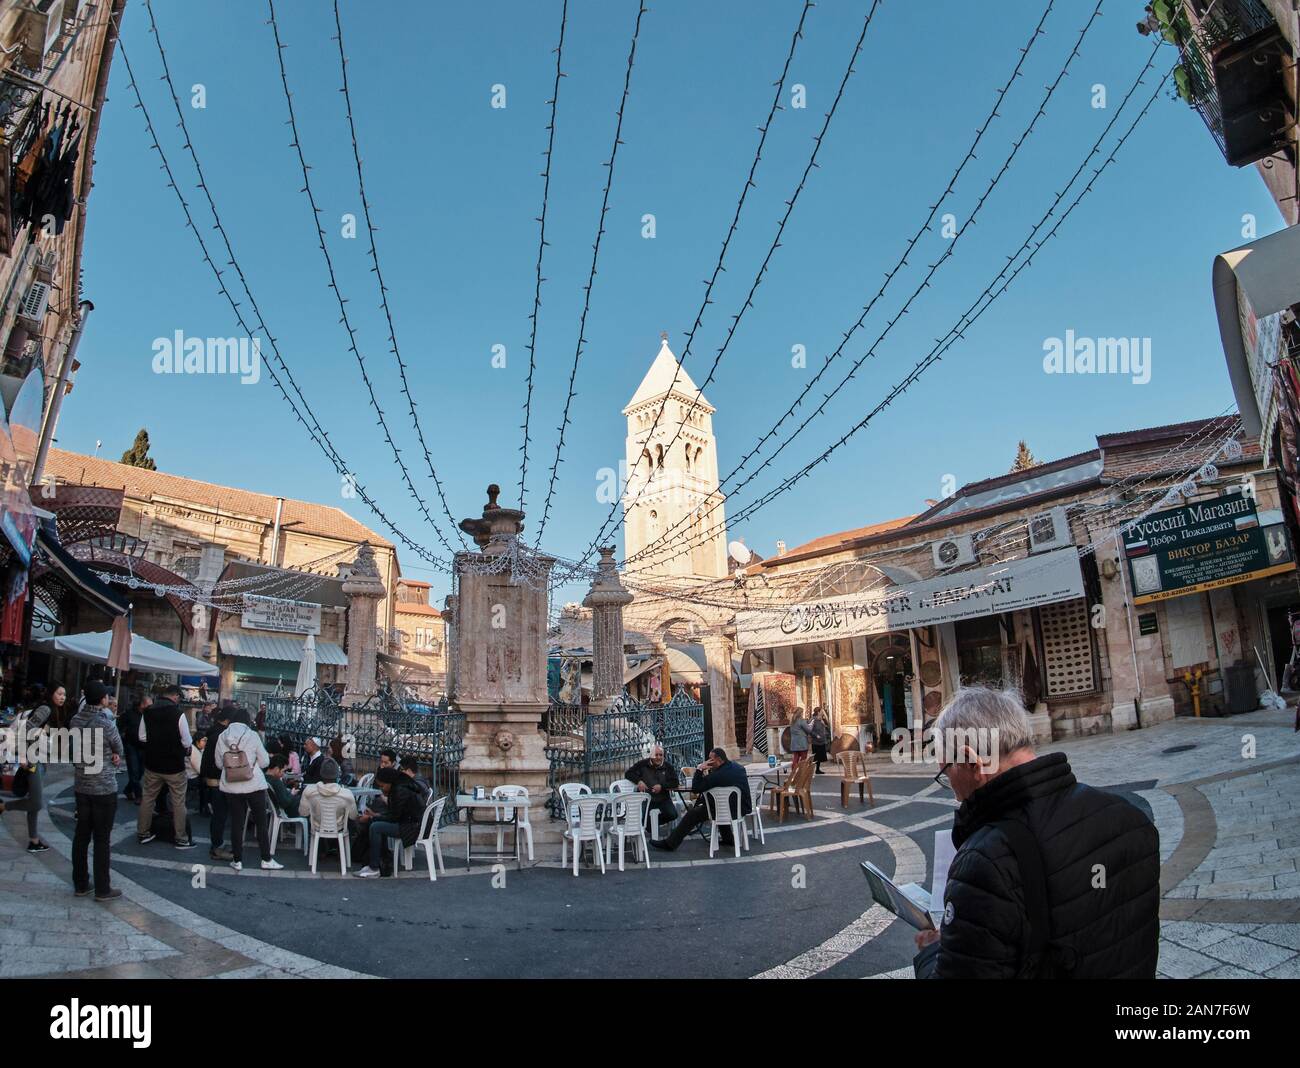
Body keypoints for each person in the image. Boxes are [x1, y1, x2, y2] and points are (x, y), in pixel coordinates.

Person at [913, 687, 1159, 979]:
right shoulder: (1130, 816)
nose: (953, 793)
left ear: (972, 762)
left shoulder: (986, 863)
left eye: (946, 772)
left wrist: (932, 952)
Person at [69, 680, 124, 901]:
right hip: (103, 787)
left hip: (82, 785)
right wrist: (113, 754)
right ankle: (103, 888)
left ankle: (80, 883)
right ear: (103, 699)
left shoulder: (75, 720)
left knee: (81, 835)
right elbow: (118, 747)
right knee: (102, 838)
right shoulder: (106, 723)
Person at [214, 710, 282, 871]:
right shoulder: (252, 735)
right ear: (247, 721)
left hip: (231, 785)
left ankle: (237, 860)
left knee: (237, 823)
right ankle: (266, 859)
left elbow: (218, 764)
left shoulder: (222, 736)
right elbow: (265, 761)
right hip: (253, 784)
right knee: (261, 822)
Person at [649, 747, 752, 852]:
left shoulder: (716, 776)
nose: (708, 762)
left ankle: (670, 843)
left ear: (718, 760)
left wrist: (699, 769)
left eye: (710, 760)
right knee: (719, 804)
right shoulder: (738, 768)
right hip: (742, 808)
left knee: (693, 814)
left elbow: (696, 788)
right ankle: (728, 838)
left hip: (728, 809)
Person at [136, 682, 196, 848]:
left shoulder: (147, 712)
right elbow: (186, 741)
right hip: (174, 765)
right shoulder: (178, 714)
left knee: (148, 798)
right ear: (175, 696)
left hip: (152, 763)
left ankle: (143, 833)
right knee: (178, 801)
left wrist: (156, 741)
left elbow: (141, 737)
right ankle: (181, 838)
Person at [5, 683, 63, 852]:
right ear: (51, 693)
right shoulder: (46, 709)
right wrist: (23, 756)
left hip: (39, 760)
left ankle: (34, 840)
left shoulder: (51, 711)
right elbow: (27, 730)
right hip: (33, 761)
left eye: (64, 695)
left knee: (33, 800)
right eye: (59, 693)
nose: (62, 697)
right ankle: (3, 807)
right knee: (36, 802)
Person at [355, 766, 424, 878]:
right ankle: (375, 862)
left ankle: (374, 867)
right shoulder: (400, 785)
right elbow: (395, 813)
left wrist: (371, 818)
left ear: (389, 782)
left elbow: (394, 817)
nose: (381, 789)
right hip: (409, 822)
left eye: (382, 786)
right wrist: (375, 815)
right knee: (376, 824)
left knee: (375, 827)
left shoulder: (400, 790)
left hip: (410, 827)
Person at [199, 705, 233, 860]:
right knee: (220, 814)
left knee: (218, 814)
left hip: (210, 777)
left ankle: (216, 845)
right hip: (218, 777)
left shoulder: (213, 731)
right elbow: (219, 761)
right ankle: (216, 847)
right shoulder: (221, 735)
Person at [301, 757, 357, 851]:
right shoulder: (347, 794)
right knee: (350, 820)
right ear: (337, 774)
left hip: (317, 827)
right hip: (339, 827)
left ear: (321, 773)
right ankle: (342, 850)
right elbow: (354, 816)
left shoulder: (309, 791)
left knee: (311, 817)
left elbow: (303, 813)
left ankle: (320, 849)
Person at [624, 743, 679, 831]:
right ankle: (650, 825)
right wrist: (639, 781)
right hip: (646, 799)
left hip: (663, 798)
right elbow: (628, 773)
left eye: (660, 755)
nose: (658, 757)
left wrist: (661, 786)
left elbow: (675, 782)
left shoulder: (668, 767)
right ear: (651, 755)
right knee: (645, 822)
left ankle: (654, 823)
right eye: (656, 755)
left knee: (673, 815)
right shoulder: (642, 764)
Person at [119, 691, 147, 803]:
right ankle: (138, 794)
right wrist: (124, 737)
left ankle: (128, 789)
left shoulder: (147, 715)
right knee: (134, 770)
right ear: (141, 704)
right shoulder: (129, 714)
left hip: (143, 746)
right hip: (131, 745)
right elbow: (120, 725)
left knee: (141, 771)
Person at [809, 709, 830, 774]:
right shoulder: (813, 720)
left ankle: (817, 770)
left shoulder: (821, 720)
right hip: (816, 742)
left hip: (821, 741)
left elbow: (828, 725)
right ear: (818, 712)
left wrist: (824, 720)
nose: (823, 712)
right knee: (815, 757)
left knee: (820, 757)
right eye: (821, 711)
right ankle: (810, 770)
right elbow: (809, 730)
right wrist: (816, 735)